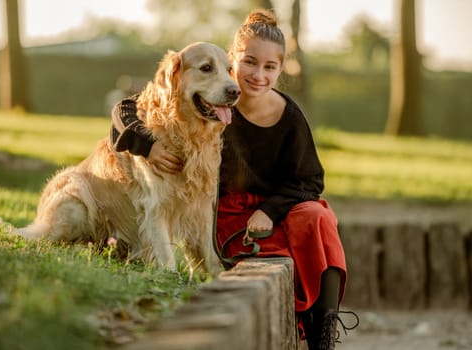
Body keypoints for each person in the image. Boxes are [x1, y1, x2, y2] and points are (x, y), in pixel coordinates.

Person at [110, 9, 357, 350]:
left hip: (276, 211)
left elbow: (310, 182)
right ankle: (301, 321)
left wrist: (270, 211)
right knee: (287, 252)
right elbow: (125, 110)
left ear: (280, 70)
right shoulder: (214, 103)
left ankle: (323, 334)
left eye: (270, 67)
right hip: (229, 216)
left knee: (319, 218)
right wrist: (147, 146)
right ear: (233, 61)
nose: (258, 76)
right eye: (249, 63)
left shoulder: (289, 116)